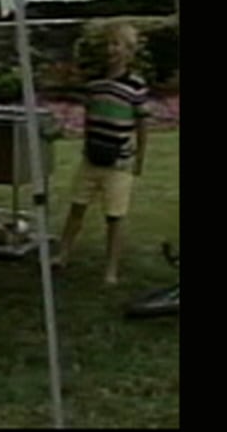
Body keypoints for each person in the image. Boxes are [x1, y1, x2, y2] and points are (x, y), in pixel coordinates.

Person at [52, 23, 149, 285]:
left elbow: (142, 124)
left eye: (117, 45)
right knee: (77, 206)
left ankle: (111, 269)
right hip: (92, 157)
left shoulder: (136, 86)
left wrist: (139, 158)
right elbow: (89, 116)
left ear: (129, 52)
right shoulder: (95, 84)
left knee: (114, 216)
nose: (111, 50)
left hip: (119, 162)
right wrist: (86, 141)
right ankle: (62, 253)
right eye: (109, 44)